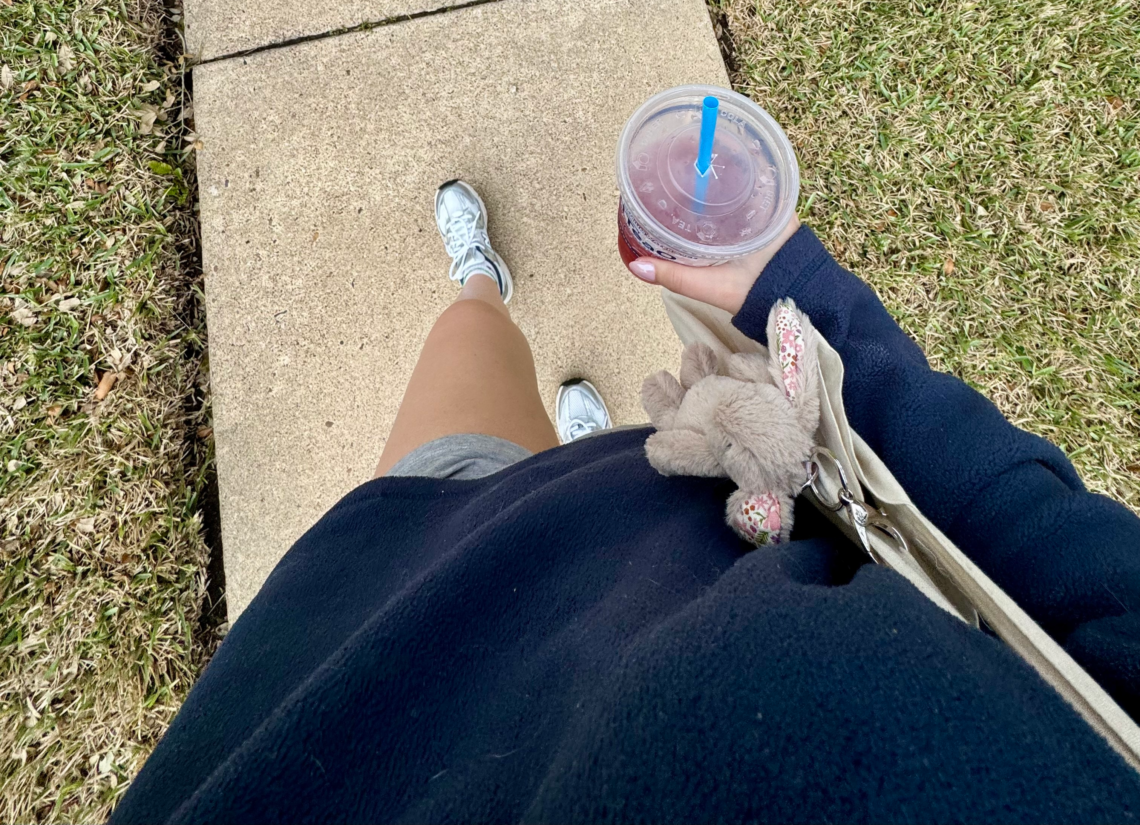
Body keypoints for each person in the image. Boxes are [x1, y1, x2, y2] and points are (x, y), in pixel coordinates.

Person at [113, 180, 1140, 824]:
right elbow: (1046, 546)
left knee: (463, 350)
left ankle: (480, 287)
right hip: (642, 508)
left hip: (419, 595)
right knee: (489, 353)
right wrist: (792, 292)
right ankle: (498, 309)